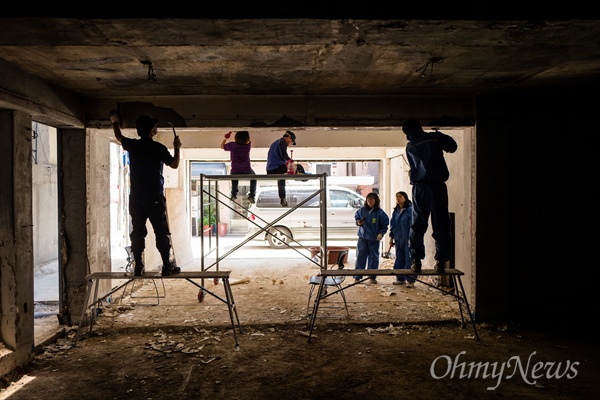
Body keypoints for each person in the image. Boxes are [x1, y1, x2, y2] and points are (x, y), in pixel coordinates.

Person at [109, 111, 182, 277]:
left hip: (136, 198)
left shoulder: (133, 145)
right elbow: (175, 164)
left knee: (138, 232)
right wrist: (177, 148)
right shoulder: (158, 148)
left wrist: (114, 121)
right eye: (154, 126)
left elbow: (119, 137)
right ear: (152, 131)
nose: (156, 128)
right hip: (154, 197)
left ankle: (138, 267)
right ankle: (166, 266)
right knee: (161, 231)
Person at [402, 118, 458, 273]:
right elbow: (453, 147)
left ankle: (416, 261)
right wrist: (439, 134)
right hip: (437, 187)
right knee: (440, 223)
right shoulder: (433, 138)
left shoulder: (409, 146)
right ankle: (440, 261)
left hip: (419, 188)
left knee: (418, 224)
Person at [353, 192, 389, 284]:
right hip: (363, 237)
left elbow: (385, 224)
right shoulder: (362, 210)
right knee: (360, 256)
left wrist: (381, 234)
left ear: (376, 200)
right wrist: (359, 223)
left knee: (373, 258)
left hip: (374, 239)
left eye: (372, 199)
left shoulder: (380, 213)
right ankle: (357, 277)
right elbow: (357, 219)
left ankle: (372, 276)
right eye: (368, 199)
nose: (370, 201)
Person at [221, 130, 257, 204]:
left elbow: (222, 146)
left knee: (234, 179)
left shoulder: (232, 145)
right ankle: (252, 195)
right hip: (246, 169)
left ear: (236, 137)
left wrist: (226, 138)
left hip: (235, 169)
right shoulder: (248, 146)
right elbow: (248, 141)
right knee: (254, 178)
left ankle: (233, 194)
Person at [389, 191, 416, 287]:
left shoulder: (410, 210)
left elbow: (412, 225)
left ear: (405, 198)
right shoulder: (395, 211)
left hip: (408, 238)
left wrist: (412, 238)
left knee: (409, 259)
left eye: (400, 196)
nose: (398, 198)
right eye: (397, 197)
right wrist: (391, 239)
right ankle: (400, 279)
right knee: (399, 258)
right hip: (398, 239)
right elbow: (393, 225)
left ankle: (410, 280)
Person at [266, 130, 296, 207]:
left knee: (281, 179)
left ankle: (282, 197)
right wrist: (290, 160)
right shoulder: (282, 142)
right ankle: (301, 175)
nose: (290, 143)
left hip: (270, 169)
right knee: (297, 168)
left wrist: (286, 162)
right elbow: (283, 154)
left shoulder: (275, 143)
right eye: (291, 141)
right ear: (289, 137)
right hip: (277, 168)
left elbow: (278, 155)